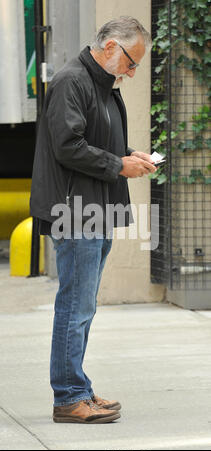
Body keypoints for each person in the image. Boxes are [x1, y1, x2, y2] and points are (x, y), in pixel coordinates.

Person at [30, 16, 156, 424]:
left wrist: (130, 155)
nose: (132, 72)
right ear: (109, 48)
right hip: (75, 210)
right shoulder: (72, 81)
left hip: (93, 208)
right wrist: (118, 165)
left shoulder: (101, 85)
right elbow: (68, 146)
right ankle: (68, 397)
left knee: (83, 305)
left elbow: (100, 140)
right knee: (75, 306)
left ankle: (77, 388)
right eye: (131, 62)